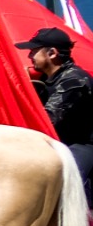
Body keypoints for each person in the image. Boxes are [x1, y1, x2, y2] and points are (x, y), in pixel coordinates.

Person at [20, 27, 93, 192]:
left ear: (52, 53)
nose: (30, 56)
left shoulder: (74, 80)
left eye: (34, 51)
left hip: (83, 145)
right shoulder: (46, 79)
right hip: (58, 143)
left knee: (63, 182)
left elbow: (47, 119)